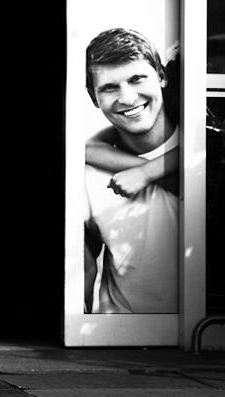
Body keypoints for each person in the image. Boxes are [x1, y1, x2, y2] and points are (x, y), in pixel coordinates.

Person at [84, 27, 178, 314]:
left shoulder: (204, 150)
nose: (126, 98)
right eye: (109, 87)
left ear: (161, 76)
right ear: (94, 98)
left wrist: (149, 172)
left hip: (204, 331)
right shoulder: (86, 173)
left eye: (137, 79)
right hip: (122, 331)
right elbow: (82, 271)